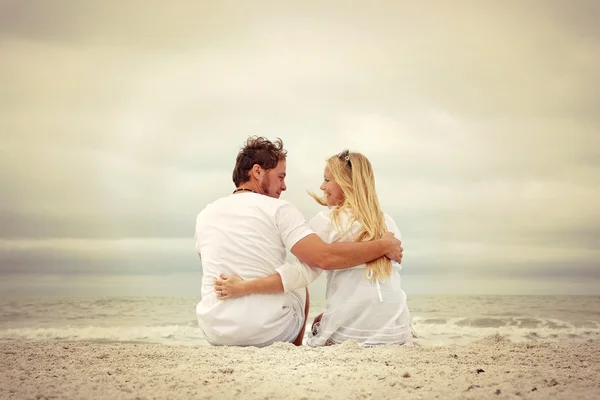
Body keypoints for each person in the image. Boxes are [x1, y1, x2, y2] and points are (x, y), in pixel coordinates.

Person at [195, 137, 403, 348]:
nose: (284, 186)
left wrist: (243, 285)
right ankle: (294, 347)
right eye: (281, 177)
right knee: (298, 287)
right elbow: (324, 256)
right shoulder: (388, 223)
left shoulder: (204, 214)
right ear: (257, 172)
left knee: (299, 275)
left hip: (214, 331)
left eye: (326, 180)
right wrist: (383, 245)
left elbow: (206, 258)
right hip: (395, 327)